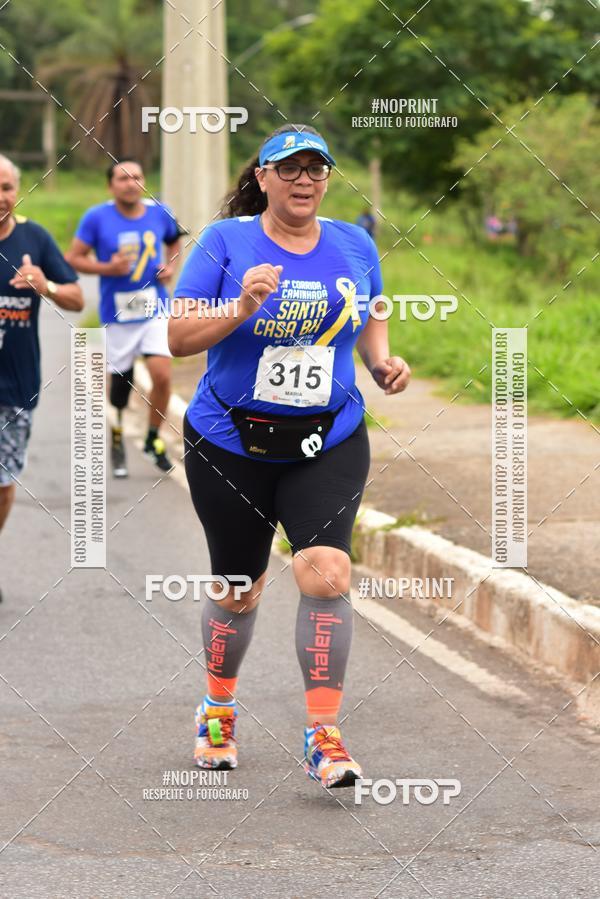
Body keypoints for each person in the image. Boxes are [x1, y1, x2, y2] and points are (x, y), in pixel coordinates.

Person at [168, 125, 411, 789]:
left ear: (328, 178)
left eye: (316, 169)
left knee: (326, 572)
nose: (304, 180)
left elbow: (372, 308)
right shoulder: (225, 242)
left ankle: (323, 735)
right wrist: (242, 305)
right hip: (229, 441)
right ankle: (218, 709)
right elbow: (179, 336)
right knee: (238, 589)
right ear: (264, 177)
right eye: (290, 169)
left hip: (326, 438)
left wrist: (381, 362)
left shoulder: (354, 243)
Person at [66, 159, 183, 478]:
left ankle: (152, 439)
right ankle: (117, 436)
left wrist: (170, 267)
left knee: (162, 375)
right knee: (120, 387)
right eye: (123, 178)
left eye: (137, 177)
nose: (131, 183)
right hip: (118, 314)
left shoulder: (160, 212)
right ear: (110, 185)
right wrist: (107, 268)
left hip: (155, 309)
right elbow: (73, 258)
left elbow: (174, 241)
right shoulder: (96, 217)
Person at [0, 153, 83, 603]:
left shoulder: (34, 238)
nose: (0, 197)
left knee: (2, 482)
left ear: (17, 190)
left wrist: (45, 285)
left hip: (14, 387)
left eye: (6, 188)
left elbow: (76, 297)